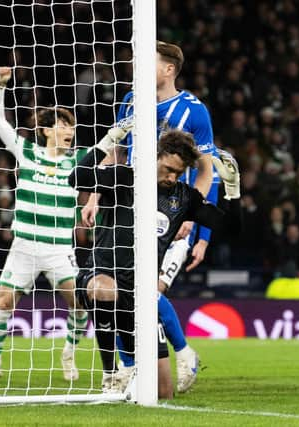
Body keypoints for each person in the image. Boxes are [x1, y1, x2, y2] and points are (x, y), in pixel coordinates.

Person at [81, 40, 218, 393]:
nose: (138, 66)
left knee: (147, 290)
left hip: (170, 216)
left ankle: (181, 353)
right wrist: (96, 195)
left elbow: (208, 170)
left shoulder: (194, 111)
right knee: (122, 292)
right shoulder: (131, 100)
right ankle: (133, 366)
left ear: (169, 69)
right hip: (125, 207)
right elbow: (116, 151)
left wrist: (198, 225)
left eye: (148, 61)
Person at [68, 128, 225, 393]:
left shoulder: (181, 196)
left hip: (140, 294)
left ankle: (183, 354)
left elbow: (226, 223)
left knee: (162, 393)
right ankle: (114, 373)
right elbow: (77, 177)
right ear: (157, 155)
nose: (172, 176)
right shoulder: (124, 177)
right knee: (104, 291)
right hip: (104, 273)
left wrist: (227, 186)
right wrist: (107, 141)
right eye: (168, 169)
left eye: (178, 172)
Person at [0, 67, 88, 382]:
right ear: (46, 130)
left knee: (80, 304)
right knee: (4, 301)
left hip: (59, 249)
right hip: (24, 247)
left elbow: (107, 150)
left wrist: (126, 127)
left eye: (71, 125)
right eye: (62, 124)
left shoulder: (77, 160)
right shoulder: (27, 152)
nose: (69, 130)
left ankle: (68, 355)